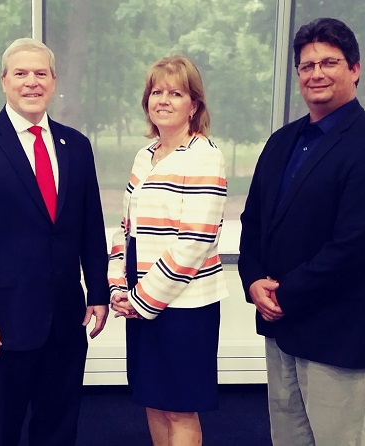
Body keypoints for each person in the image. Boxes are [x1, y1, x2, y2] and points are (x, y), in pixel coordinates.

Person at [238, 17, 365, 446]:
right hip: (282, 330)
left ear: (354, 68)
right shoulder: (282, 142)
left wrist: (282, 295)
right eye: (307, 65)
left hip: (340, 332)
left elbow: (354, 246)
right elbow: (254, 221)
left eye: (329, 62)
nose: (316, 73)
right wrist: (253, 280)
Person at [0, 38, 109, 446]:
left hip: (66, 319)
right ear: (3, 81)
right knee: (0, 431)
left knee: (58, 428)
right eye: (20, 73)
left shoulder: (76, 145)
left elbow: (90, 226)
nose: (31, 82)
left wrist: (99, 292)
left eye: (40, 73)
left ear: (53, 82)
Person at [108, 55, 229, 445]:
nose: (163, 100)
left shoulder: (205, 157)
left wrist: (142, 300)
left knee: (179, 407)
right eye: (156, 92)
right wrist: (116, 286)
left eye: (175, 93)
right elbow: (126, 229)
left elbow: (194, 242)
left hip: (184, 308)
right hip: (140, 301)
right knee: (154, 400)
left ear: (194, 105)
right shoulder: (145, 157)